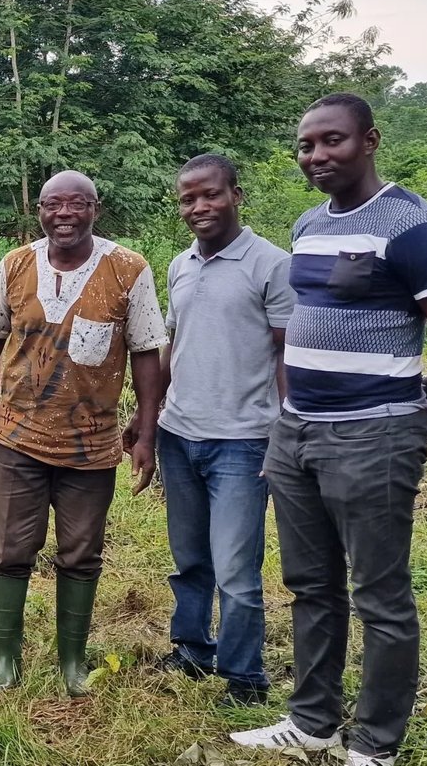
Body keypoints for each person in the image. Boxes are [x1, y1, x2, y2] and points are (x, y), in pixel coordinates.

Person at [231, 94, 427, 766]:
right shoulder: (309, 224)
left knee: (380, 593)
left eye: (332, 141)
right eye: (306, 145)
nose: (316, 155)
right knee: (310, 584)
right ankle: (312, 720)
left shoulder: (410, 227)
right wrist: (290, 419)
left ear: (369, 140)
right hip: (298, 431)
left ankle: (375, 744)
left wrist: (426, 391)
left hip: (372, 435)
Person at [0, 170, 167, 694]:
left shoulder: (128, 269)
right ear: (39, 211)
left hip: (92, 446)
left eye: (76, 204)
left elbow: (147, 353)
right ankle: (6, 660)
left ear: (96, 208)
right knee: (10, 551)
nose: (63, 214)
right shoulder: (16, 265)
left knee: (81, 553)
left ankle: (72, 660)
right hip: (19, 438)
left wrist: (147, 430)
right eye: (52, 205)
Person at [152, 154, 295, 707]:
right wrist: (150, 416)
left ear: (236, 194)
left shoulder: (272, 265)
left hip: (244, 439)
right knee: (190, 557)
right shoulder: (179, 264)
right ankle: (192, 647)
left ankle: (244, 676)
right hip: (179, 433)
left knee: (237, 567)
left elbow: (287, 354)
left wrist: (286, 431)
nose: (199, 207)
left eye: (210, 195)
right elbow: (171, 345)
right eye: (188, 199)